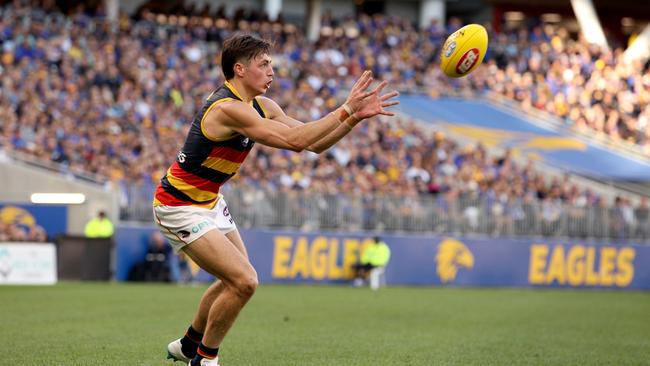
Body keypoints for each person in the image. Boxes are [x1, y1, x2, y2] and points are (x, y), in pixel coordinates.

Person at [154, 34, 399, 366]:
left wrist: (353, 118)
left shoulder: (264, 107)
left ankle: (189, 345)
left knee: (235, 279)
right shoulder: (227, 109)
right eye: (264, 64)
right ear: (239, 69)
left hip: (209, 201)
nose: (272, 71)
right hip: (178, 204)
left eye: (271, 64)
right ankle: (204, 359)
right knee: (244, 281)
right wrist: (345, 109)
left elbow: (315, 143)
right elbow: (295, 141)